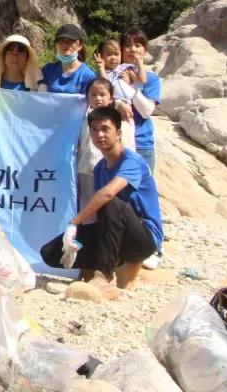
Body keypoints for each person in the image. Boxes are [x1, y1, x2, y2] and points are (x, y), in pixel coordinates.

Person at [41, 106, 162, 298]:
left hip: (143, 238)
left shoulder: (132, 161)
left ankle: (104, 277)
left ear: (119, 133)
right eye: (95, 130)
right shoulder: (99, 169)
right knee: (51, 252)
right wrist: (76, 239)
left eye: (105, 129)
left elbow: (108, 195)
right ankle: (92, 272)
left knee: (111, 202)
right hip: (116, 235)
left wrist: (75, 222)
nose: (100, 134)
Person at [76, 78, 136, 225]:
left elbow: (129, 149)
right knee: (89, 213)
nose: (98, 98)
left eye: (102, 94)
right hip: (87, 172)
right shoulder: (82, 123)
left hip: (113, 174)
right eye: (93, 95)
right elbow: (77, 149)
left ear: (111, 98)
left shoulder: (120, 122)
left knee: (111, 211)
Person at [119, 28, 161, 172]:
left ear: (145, 49)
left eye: (138, 45)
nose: (133, 49)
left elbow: (146, 111)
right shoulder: (111, 75)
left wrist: (130, 85)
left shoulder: (151, 79)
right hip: (116, 142)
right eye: (128, 45)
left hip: (142, 143)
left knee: (142, 191)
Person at [38, 23, 96, 94]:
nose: (64, 44)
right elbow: (41, 97)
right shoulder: (48, 70)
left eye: (70, 41)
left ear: (80, 45)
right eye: (60, 41)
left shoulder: (88, 75)